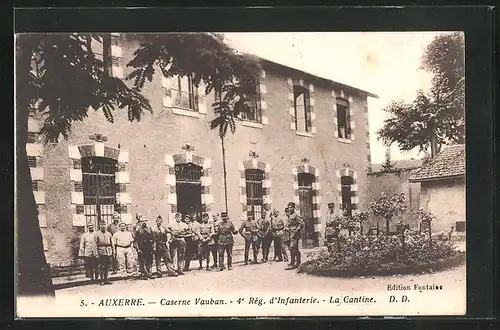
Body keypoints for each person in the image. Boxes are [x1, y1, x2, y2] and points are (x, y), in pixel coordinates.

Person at [134, 216, 155, 280]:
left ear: (147, 222)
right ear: (140, 222)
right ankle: (144, 274)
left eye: (145, 221)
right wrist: (138, 249)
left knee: (149, 261)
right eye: (142, 221)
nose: (144, 222)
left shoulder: (150, 229)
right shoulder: (138, 231)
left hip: (149, 248)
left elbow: (153, 239)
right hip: (141, 248)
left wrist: (153, 247)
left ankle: (149, 273)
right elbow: (135, 241)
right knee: (142, 262)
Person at [285, 202, 305, 270]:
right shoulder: (290, 215)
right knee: (293, 248)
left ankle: (294, 263)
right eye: (288, 207)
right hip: (290, 234)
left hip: (295, 234)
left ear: (293, 208)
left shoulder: (296, 215)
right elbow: (288, 224)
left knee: (292, 247)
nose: (289, 209)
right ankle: (296, 262)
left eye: (290, 207)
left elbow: (301, 224)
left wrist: (297, 230)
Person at [95, 220, 113, 285]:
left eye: (104, 225)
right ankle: (101, 280)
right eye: (101, 225)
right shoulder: (97, 234)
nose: (103, 226)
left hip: (108, 251)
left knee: (107, 266)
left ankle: (106, 279)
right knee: (101, 266)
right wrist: (96, 254)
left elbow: (112, 243)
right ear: (99, 226)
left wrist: (113, 252)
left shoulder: (109, 234)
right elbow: (95, 245)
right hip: (101, 252)